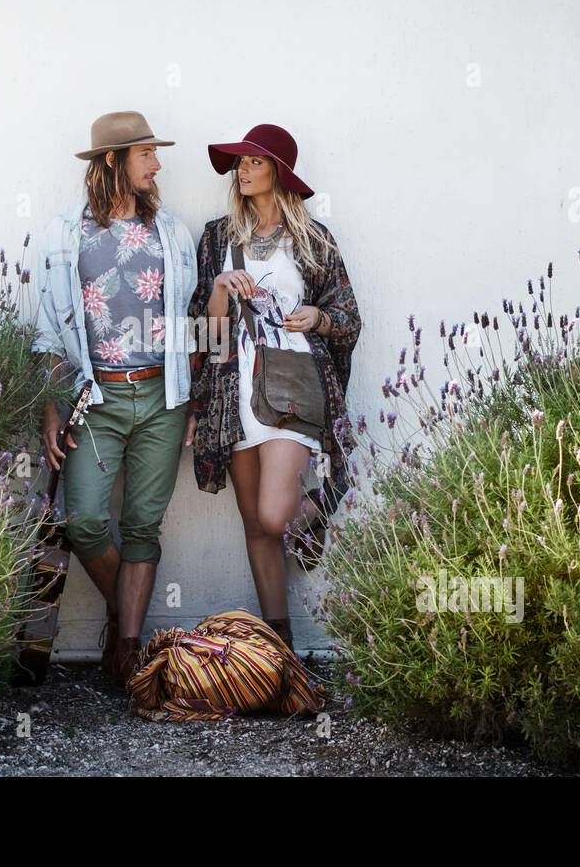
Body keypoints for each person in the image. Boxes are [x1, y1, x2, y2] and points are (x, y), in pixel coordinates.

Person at [32, 110, 198, 687]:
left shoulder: (171, 233)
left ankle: (127, 653)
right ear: (113, 161)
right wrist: (52, 405)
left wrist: (194, 403)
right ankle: (124, 613)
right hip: (94, 397)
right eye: (146, 153)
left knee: (143, 527)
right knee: (83, 520)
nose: (157, 163)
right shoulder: (64, 233)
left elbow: (187, 324)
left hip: (162, 398)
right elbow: (49, 328)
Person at [185, 123, 361, 652]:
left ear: (279, 173)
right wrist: (219, 288)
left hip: (292, 385)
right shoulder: (218, 237)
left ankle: (322, 501)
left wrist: (317, 317)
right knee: (255, 526)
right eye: (239, 162)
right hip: (232, 388)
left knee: (274, 514)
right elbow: (204, 330)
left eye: (254, 162)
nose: (242, 169)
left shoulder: (312, 240)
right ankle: (279, 649)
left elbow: (348, 316)